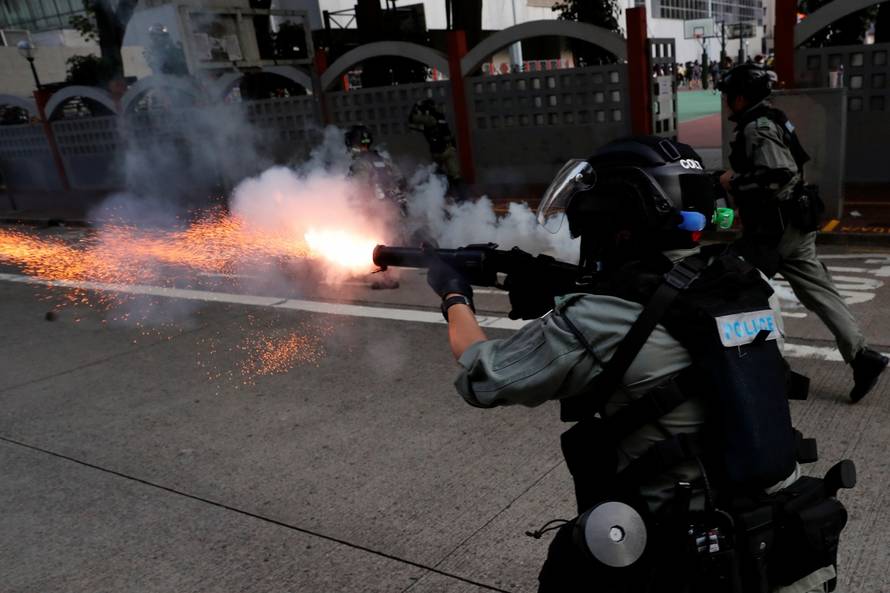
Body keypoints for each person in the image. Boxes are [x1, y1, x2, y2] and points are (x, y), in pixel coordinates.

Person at [426, 136, 852, 592]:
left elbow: (483, 376)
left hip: (685, 555)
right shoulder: (749, 286)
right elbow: (663, 303)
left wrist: (454, 294)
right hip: (776, 539)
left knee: (569, 566)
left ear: (617, 218)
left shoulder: (600, 316)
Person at [717, 64, 888, 402]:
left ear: (739, 98)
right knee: (819, 293)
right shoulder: (775, 118)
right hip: (794, 225)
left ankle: (754, 368)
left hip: (774, 231)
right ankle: (862, 357)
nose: (725, 102)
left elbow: (779, 173)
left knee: (731, 285)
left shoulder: (757, 128)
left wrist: (732, 182)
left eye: (728, 96)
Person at [345, 124, 408, 289]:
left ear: (354, 143)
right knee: (389, 241)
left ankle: (383, 278)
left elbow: (359, 189)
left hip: (376, 209)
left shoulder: (360, 164)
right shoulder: (382, 159)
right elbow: (402, 180)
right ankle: (390, 275)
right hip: (394, 207)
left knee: (376, 241)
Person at [407, 99, 468, 201]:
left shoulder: (430, 119)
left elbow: (412, 119)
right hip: (449, 150)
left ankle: (441, 196)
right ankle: (462, 198)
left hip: (438, 152)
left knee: (435, 175)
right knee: (455, 175)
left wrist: (416, 106)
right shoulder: (440, 116)